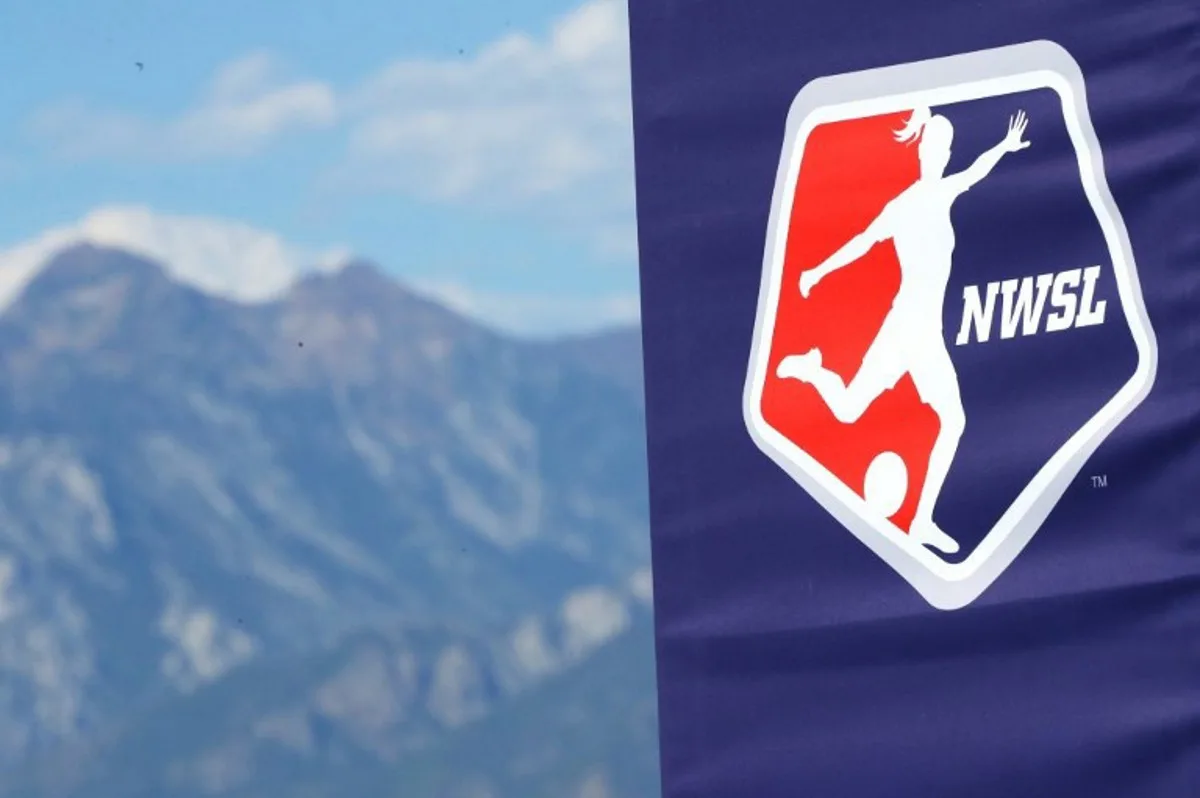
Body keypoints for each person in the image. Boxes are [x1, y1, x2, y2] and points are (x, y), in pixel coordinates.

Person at [776, 106, 1030, 554]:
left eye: (943, 147)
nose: (938, 154)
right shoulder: (911, 202)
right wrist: (816, 271)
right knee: (870, 413)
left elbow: (974, 173)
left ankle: (920, 521)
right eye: (932, 146)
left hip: (920, 330)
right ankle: (814, 370)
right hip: (906, 328)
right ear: (925, 152)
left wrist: (1005, 148)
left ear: (946, 152)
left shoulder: (938, 192)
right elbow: (861, 243)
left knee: (938, 419)